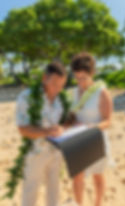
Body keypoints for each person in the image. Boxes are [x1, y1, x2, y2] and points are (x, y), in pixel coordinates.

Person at [16, 62, 67, 206]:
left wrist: (61, 129)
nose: (58, 89)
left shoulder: (59, 100)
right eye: (55, 84)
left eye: (61, 85)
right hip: (35, 154)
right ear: (44, 78)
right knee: (30, 191)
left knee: (54, 192)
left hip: (56, 153)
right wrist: (46, 132)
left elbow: (60, 123)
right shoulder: (28, 97)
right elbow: (22, 128)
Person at [69, 52, 113, 206]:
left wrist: (92, 128)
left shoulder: (102, 93)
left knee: (97, 175)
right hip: (78, 139)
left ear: (92, 73)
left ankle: (98, 204)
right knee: (77, 176)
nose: (80, 82)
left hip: (95, 139)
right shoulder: (74, 92)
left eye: (83, 78)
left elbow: (108, 121)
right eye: (76, 77)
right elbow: (73, 115)